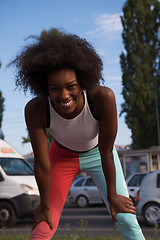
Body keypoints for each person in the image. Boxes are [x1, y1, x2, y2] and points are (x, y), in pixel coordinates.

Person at [10, 28, 145, 240]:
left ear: (82, 81)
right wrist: (45, 205)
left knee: (126, 217)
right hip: (61, 157)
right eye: (54, 89)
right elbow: (42, 163)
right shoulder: (35, 109)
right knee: (44, 225)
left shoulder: (102, 97)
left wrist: (113, 196)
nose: (64, 95)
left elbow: (107, 151)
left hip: (99, 155)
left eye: (71, 86)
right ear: (45, 88)